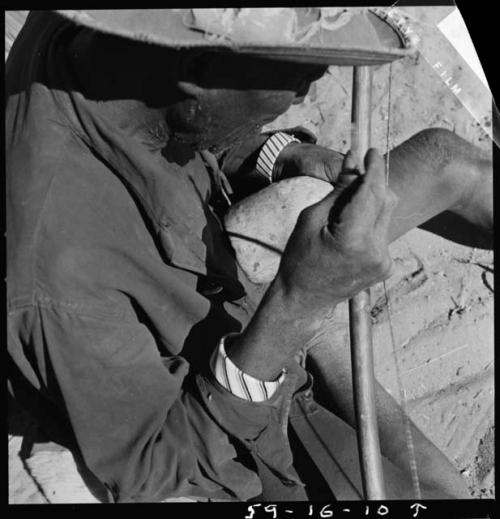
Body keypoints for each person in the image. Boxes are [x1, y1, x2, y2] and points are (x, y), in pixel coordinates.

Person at [7, 9, 492, 503]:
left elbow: (191, 124)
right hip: (222, 416)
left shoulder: (116, 40)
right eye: (297, 75)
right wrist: (297, 304)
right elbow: (165, 473)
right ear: (198, 72)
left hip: (245, 308)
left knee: (441, 158)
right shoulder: (59, 270)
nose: (306, 93)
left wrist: (281, 155)